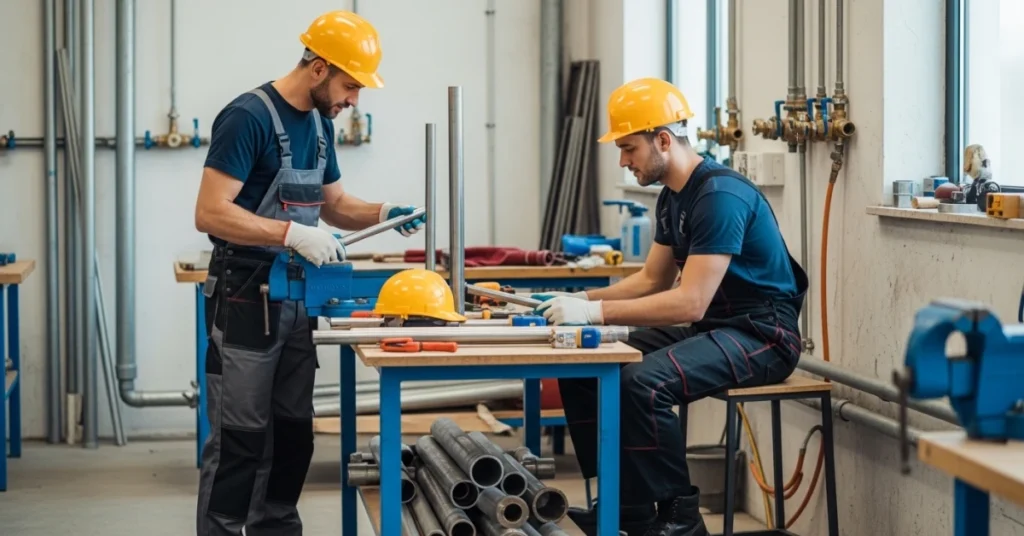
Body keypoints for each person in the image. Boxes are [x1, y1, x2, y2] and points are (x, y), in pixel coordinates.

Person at [534, 77, 808, 536]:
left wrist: (596, 314)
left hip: (764, 334)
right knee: (583, 360)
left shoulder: (719, 197)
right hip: (718, 328)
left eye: (628, 148)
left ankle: (680, 518)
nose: (623, 161)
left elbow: (690, 301)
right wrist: (579, 301)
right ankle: (627, 507)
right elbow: (651, 279)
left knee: (643, 382)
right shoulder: (672, 196)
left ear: (663, 139)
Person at [192, 10, 425, 535]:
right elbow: (210, 211)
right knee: (241, 437)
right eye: (350, 85)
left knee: (295, 433)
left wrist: (385, 212)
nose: (353, 101)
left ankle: (275, 527)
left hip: (299, 301)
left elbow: (334, 204)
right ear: (319, 68)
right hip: (247, 299)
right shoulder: (247, 116)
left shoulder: (320, 124)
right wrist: (290, 234)